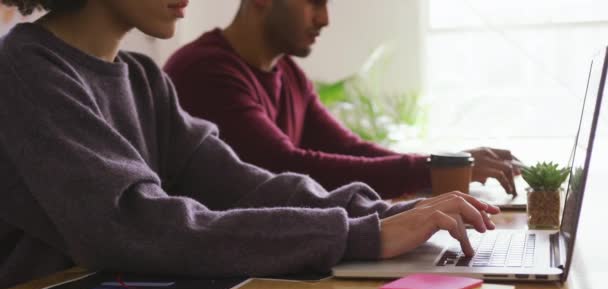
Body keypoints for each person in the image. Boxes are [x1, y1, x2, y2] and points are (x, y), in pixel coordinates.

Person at [0, 0, 499, 289]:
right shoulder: (24, 70)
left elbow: (244, 184)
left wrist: (385, 215)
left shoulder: (143, 78)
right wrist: (356, 236)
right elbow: (132, 223)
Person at [164, 0, 520, 199]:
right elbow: (283, 166)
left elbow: (350, 149)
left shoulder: (289, 74)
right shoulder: (205, 71)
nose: (325, 19)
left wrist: (441, 166)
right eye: (314, 3)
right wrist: (435, 169)